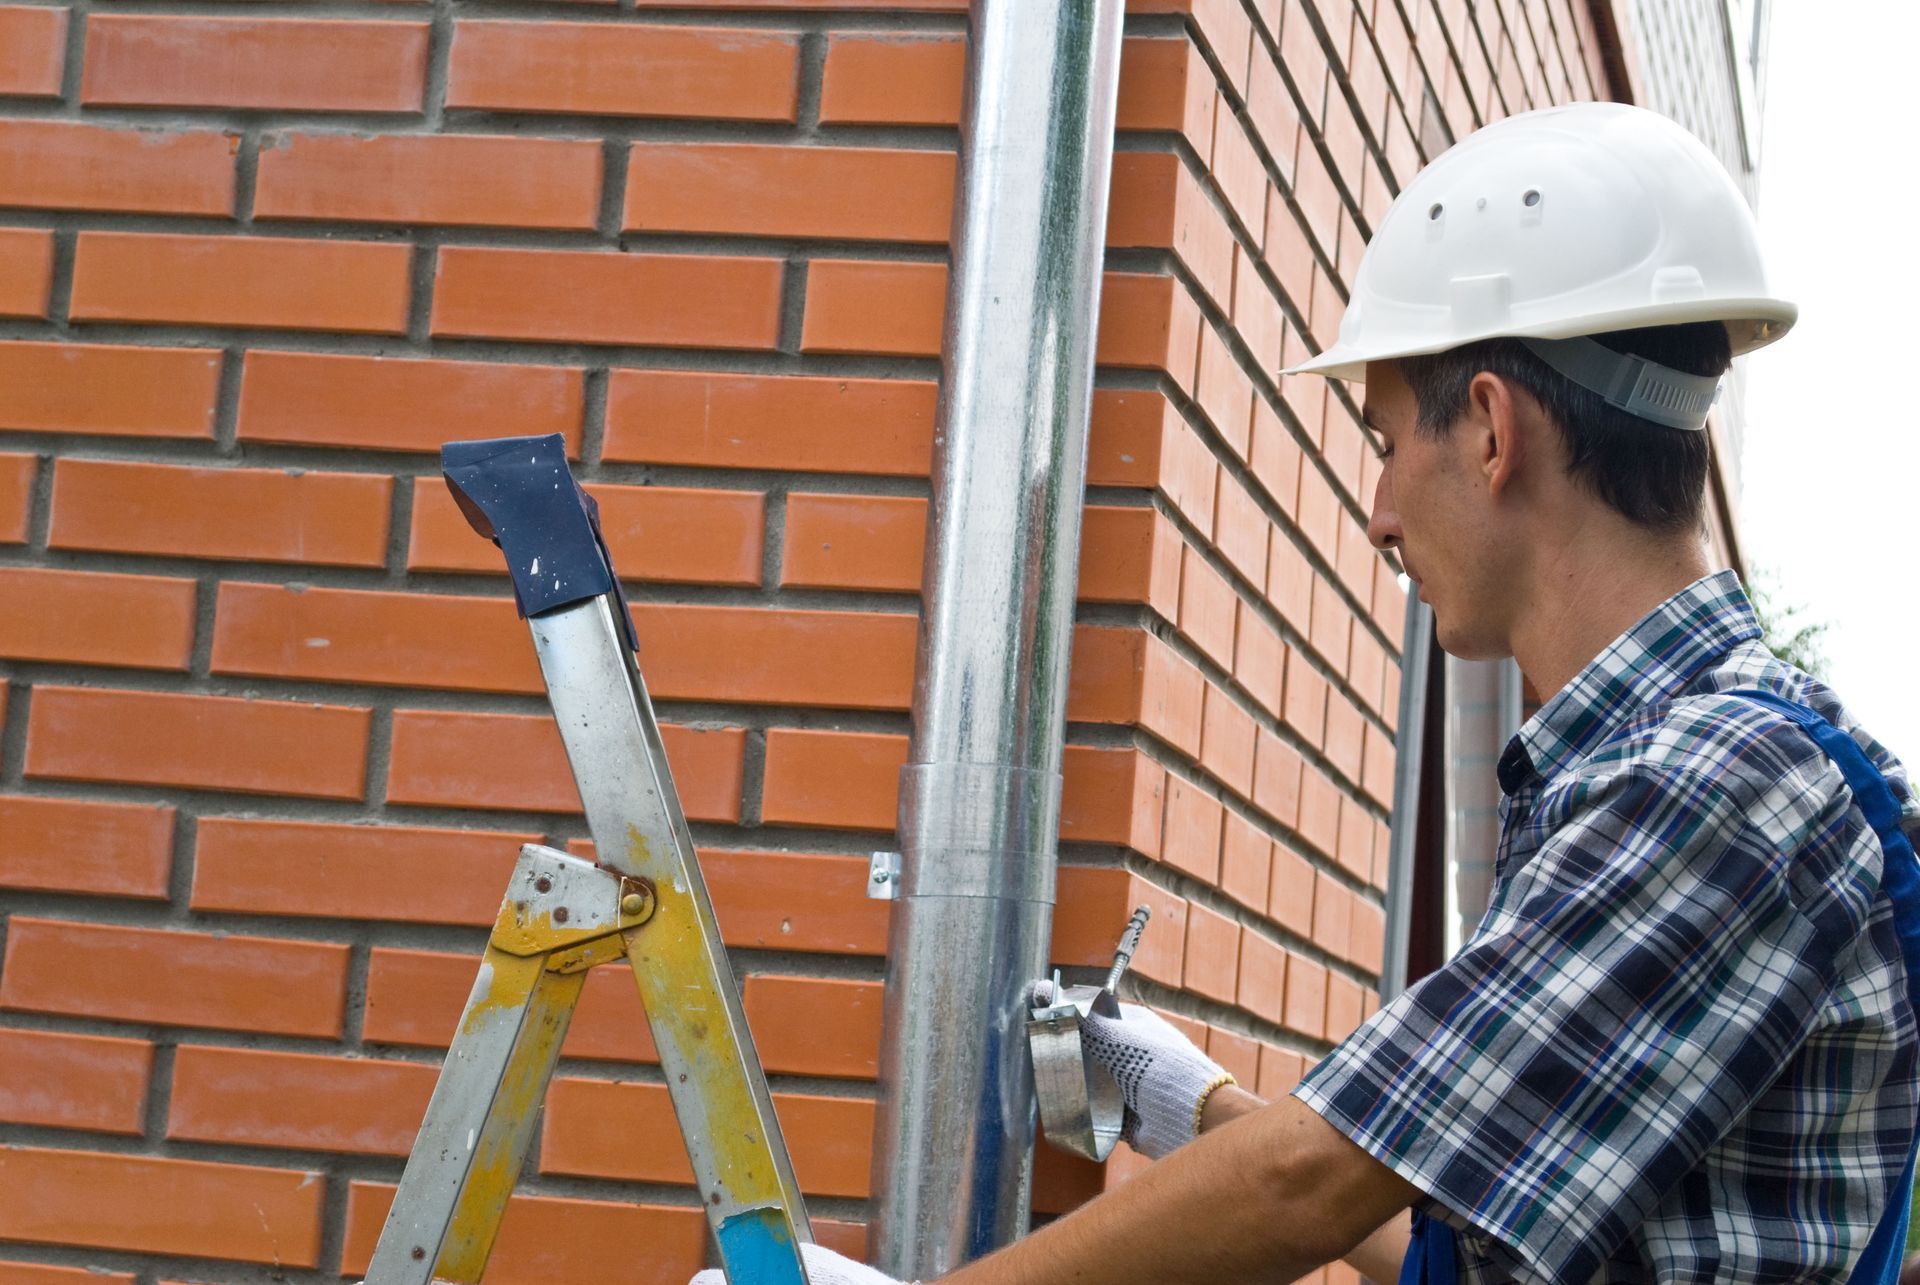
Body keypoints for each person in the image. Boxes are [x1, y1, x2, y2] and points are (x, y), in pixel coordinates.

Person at [691, 102, 1920, 1285]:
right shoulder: (1663, 773)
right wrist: (1185, 1104)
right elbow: (1457, 1236)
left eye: (1386, 443)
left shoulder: (1724, 782)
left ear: (1492, 430)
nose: (1379, 516)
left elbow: (1312, 1188)